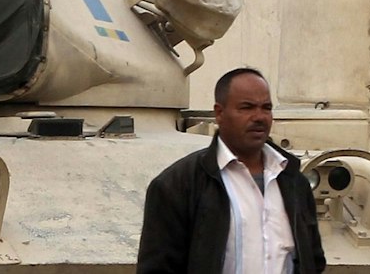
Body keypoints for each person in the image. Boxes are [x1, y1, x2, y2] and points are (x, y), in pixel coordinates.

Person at [136, 67, 324, 274]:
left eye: (266, 108)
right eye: (247, 107)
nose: (259, 116)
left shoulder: (293, 181)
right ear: (219, 113)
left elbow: (312, 259)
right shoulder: (178, 185)